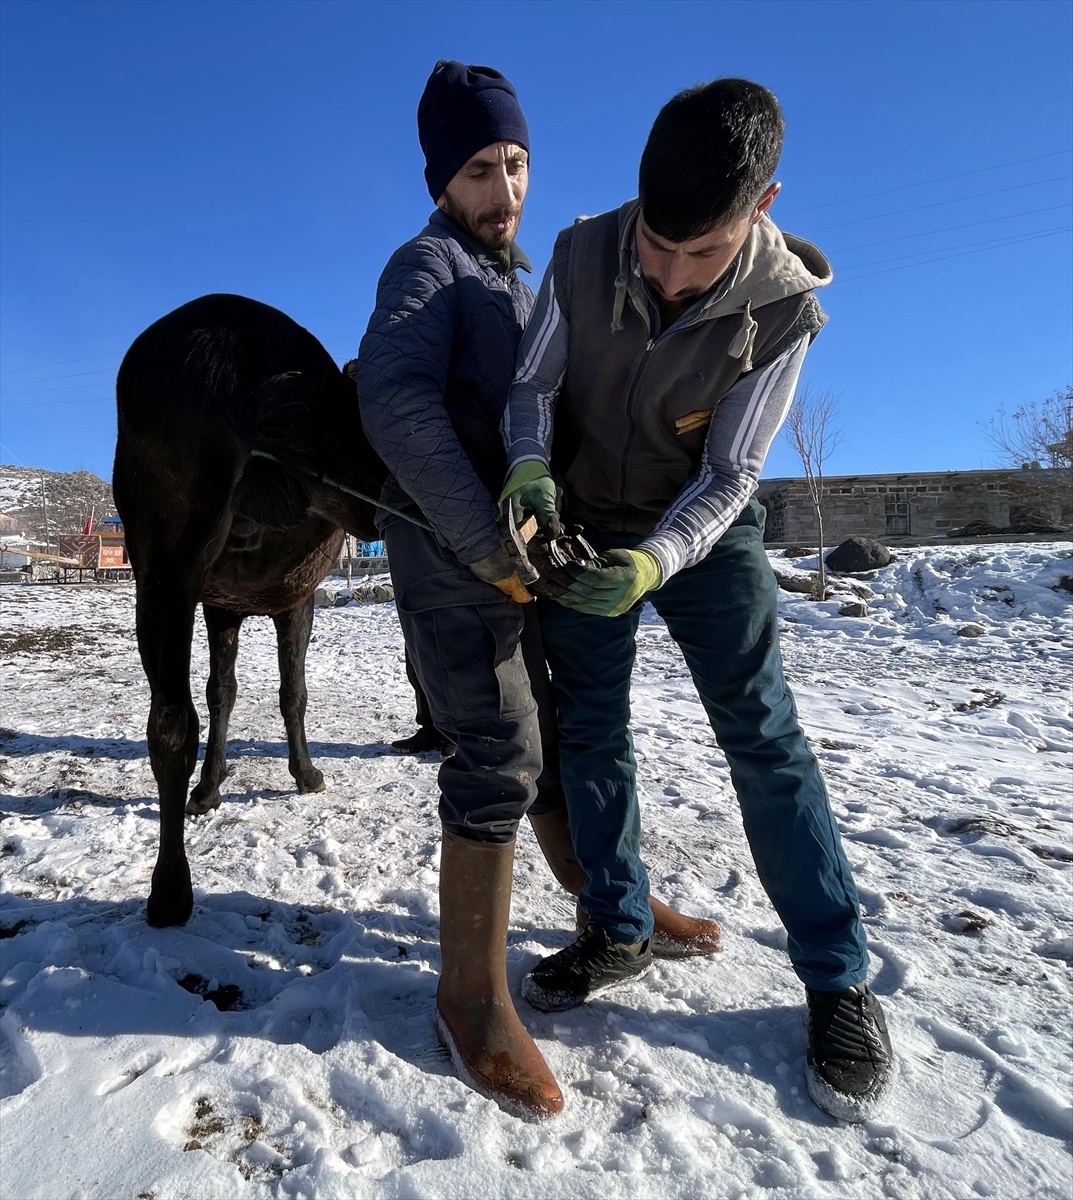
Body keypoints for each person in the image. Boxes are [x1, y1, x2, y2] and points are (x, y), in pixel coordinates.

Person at [501, 78, 893, 1122]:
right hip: (584, 519)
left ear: (760, 207)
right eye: (654, 247)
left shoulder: (785, 311)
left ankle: (836, 974)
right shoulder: (583, 250)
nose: (669, 275)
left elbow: (728, 479)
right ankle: (616, 924)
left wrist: (653, 561)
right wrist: (529, 470)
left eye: (700, 253)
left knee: (762, 739)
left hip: (703, 535)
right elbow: (533, 385)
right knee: (588, 731)